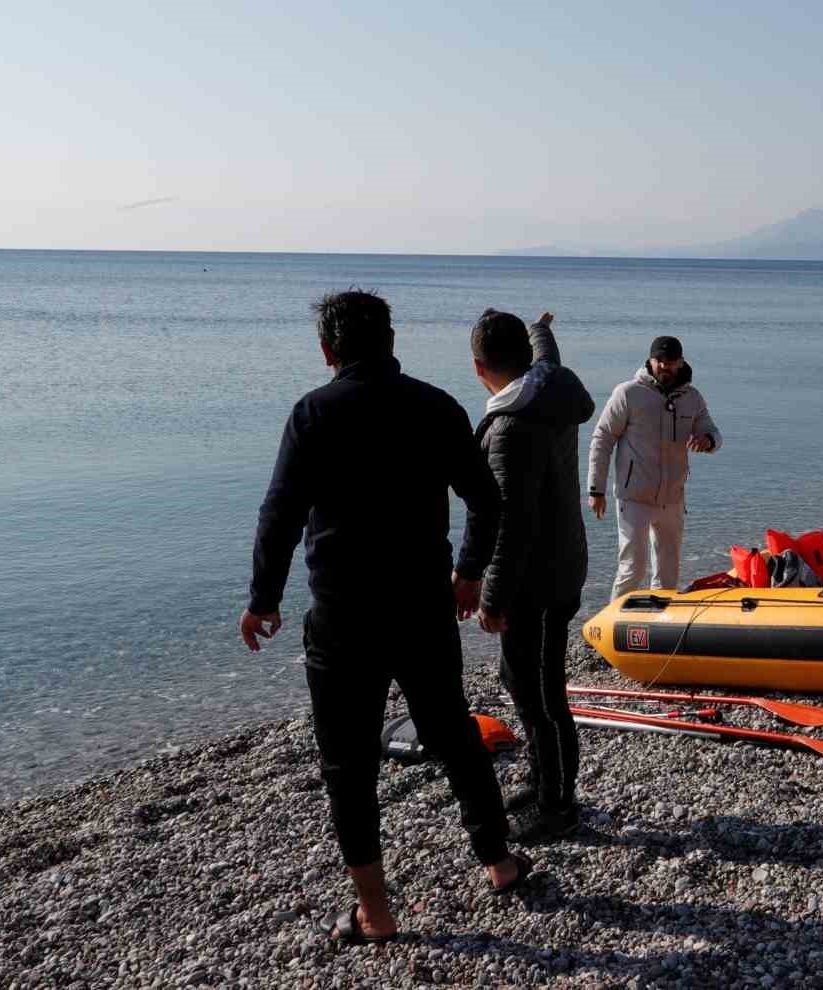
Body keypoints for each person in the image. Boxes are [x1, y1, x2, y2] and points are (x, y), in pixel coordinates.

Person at [238, 289, 529, 945]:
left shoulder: (313, 414)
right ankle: (500, 863)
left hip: (343, 614)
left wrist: (263, 600)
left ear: (327, 351)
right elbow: (487, 501)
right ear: (392, 342)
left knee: (348, 765)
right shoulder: (436, 407)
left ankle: (376, 912)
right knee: (453, 735)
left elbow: (279, 515)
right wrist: (469, 572)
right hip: (423, 603)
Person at [457, 309, 595, 843]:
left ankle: (559, 806)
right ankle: (543, 781)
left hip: (536, 581)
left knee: (540, 696)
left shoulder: (511, 426)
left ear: (477, 367)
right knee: (522, 683)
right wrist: (541, 327)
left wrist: (490, 597)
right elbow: (548, 358)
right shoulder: (547, 390)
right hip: (560, 564)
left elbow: (510, 521)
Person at [587, 335, 722, 598]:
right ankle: (616, 625)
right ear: (650, 361)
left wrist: (707, 441)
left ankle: (659, 627)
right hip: (634, 496)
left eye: (671, 363)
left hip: (673, 498)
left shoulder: (692, 398)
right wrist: (596, 489)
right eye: (660, 361)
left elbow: (712, 432)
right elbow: (602, 438)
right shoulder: (628, 393)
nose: (664, 367)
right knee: (633, 569)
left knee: (668, 573)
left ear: (681, 363)